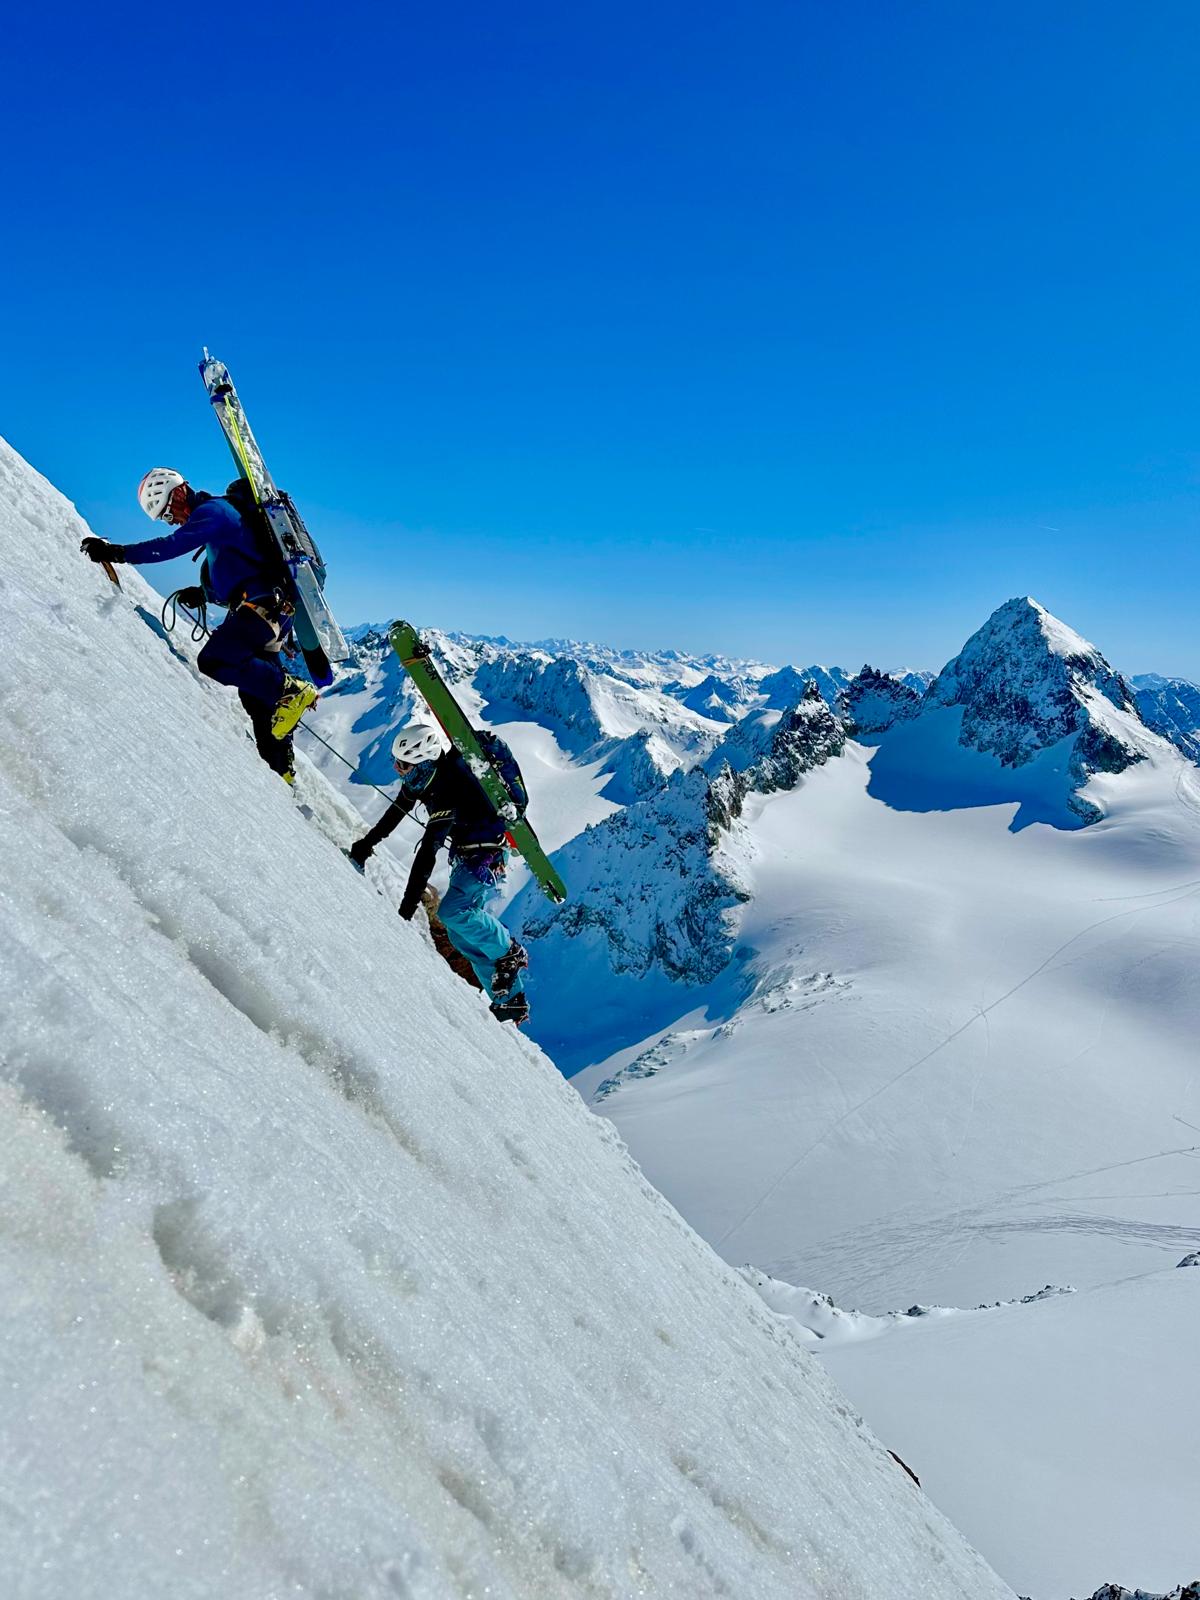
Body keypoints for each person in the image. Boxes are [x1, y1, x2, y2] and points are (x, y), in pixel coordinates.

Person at [80, 468, 318, 781]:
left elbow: (169, 545)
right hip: (265, 610)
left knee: (214, 661)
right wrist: (202, 594)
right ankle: (281, 770)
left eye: (167, 512)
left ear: (178, 493)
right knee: (257, 701)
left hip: (262, 608)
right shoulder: (219, 518)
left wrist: (117, 553)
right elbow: (234, 571)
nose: (172, 520)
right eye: (165, 518)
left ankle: (292, 689)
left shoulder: (213, 511)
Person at [349, 721, 531, 1024]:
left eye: (404, 764)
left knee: (453, 913)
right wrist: (365, 845)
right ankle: (510, 999)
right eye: (397, 762)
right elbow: (394, 815)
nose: (398, 769)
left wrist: (405, 911)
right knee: (460, 937)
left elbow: (428, 851)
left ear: (424, 759)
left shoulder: (448, 787)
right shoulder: (424, 780)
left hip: (484, 857)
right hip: (469, 856)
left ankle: (510, 951)